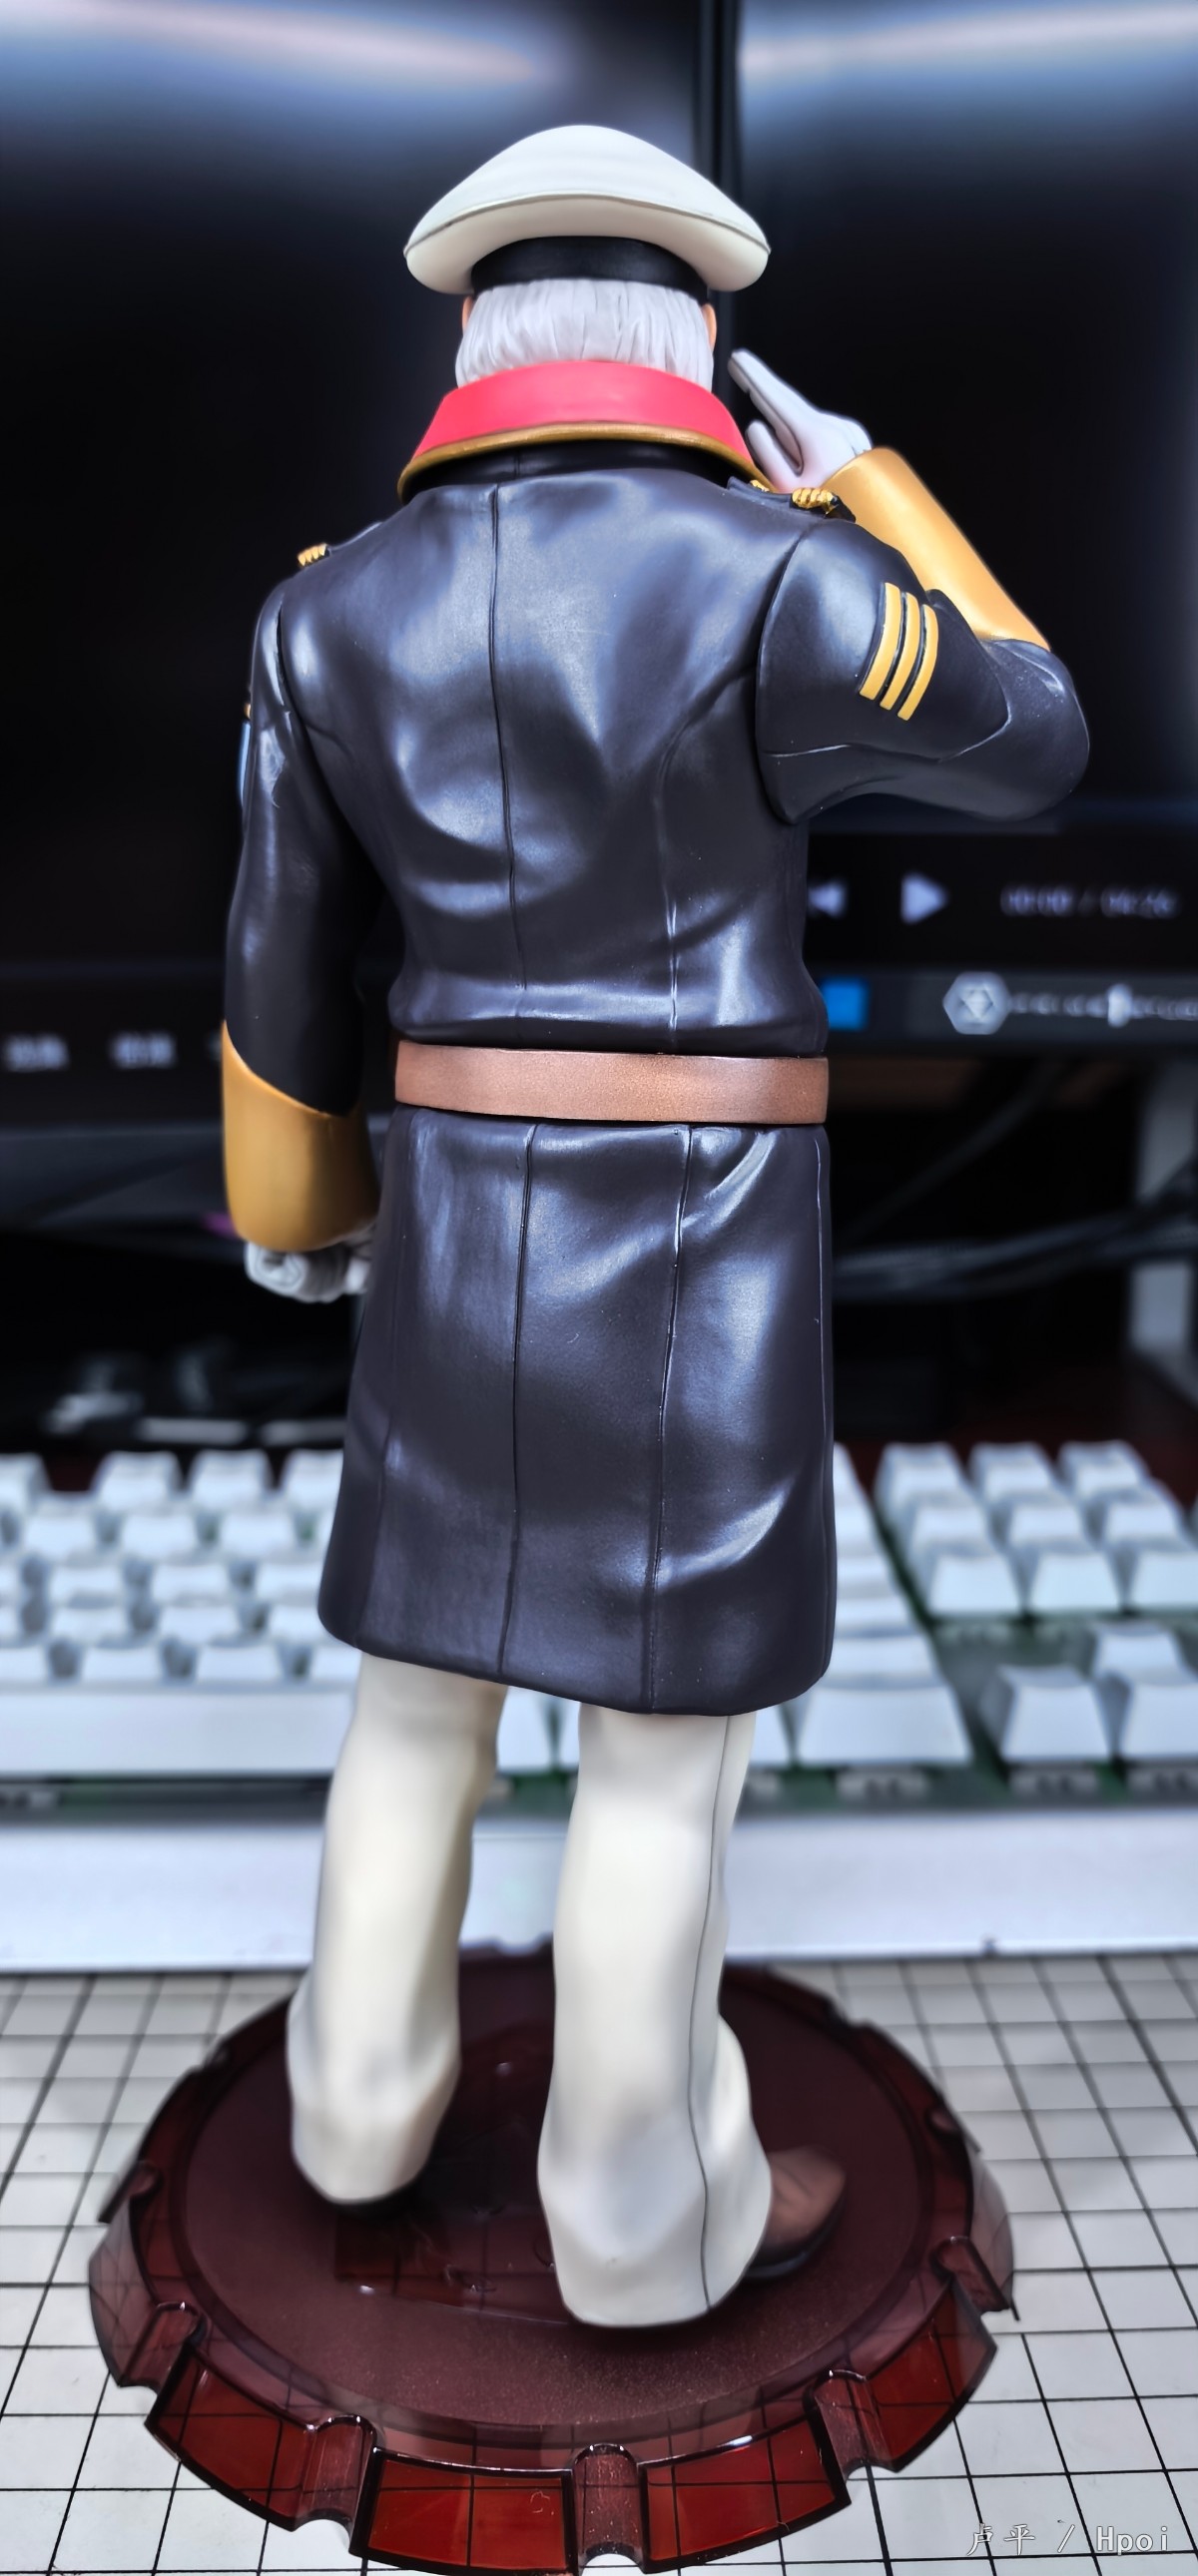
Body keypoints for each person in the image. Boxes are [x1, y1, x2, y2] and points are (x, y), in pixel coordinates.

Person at [223, 126, 1087, 2328]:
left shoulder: (326, 606)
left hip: (449, 1228)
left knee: (417, 1690)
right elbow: (1035, 736)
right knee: (658, 1743)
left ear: (468, 338)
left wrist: (299, 1209)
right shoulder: (775, 579)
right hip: (701, 1233)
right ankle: (634, 2216)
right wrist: (865, 482)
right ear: (701, 342)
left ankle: (352, 2107)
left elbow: (279, 965)